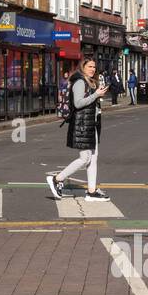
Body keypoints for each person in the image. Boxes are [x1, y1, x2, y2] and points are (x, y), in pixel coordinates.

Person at [46, 57, 107, 200]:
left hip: (91, 123)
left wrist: (97, 96)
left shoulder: (90, 82)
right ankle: (57, 179)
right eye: (90, 66)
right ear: (82, 67)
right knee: (85, 158)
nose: (93, 69)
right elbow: (78, 103)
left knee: (93, 158)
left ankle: (91, 191)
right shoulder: (79, 82)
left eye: (94, 67)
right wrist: (96, 95)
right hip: (82, 125)